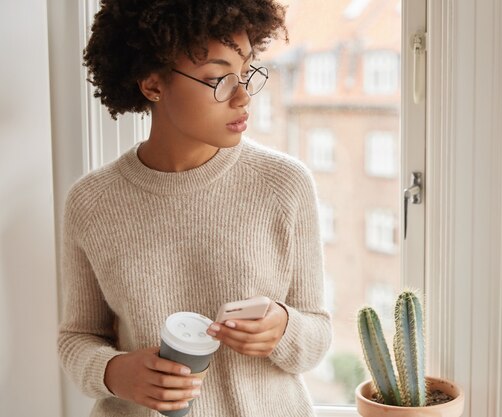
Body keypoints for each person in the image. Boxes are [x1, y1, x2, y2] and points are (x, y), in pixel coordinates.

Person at [57, 1, 332, 416]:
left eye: (245, 74)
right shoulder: (92, 201)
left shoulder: (284, 184)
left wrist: (284, 329)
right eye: (219, 79)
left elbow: (317, 332)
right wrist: (114, 371)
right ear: (152, 85)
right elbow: (78, 337)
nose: (242, 97)